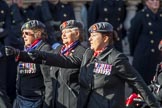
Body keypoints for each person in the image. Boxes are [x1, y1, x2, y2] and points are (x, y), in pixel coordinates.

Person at [4, 22, 160, 108]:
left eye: (94, 36)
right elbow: (63, 61)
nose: (90, 38)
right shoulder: (88, 54)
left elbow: (138, 82)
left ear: (105, 38)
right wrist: (25, 55)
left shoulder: (117, 58)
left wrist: (154, 105)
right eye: (90, 35)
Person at [6, 19, 86, 108]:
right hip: (55, 101)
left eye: (67, 32)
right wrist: (19, 54)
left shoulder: (82, 51)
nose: (63, 35)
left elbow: (51, 74)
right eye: (62, 32)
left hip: (71, 102)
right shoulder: (59, 49)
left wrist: (46, 103)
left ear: (77, 34)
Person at [5, 20, 53, 108]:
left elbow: (49, 81)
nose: (23, 36)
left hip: (36, 101)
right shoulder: (26, 49)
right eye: (22, 33)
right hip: (20, 98)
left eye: (26, 33)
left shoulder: (44, 50)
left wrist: (47, 104)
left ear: (37, 34)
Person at [128, 0, 162, 84]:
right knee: (141, 85)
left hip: (158, 57)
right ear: (146, 2)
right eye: (152, 0)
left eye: (157, 0)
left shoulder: (161, 16)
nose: (155, 2)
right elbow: (132, 36)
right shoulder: (140, 16)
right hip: (143, 57)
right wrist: (135, 52)